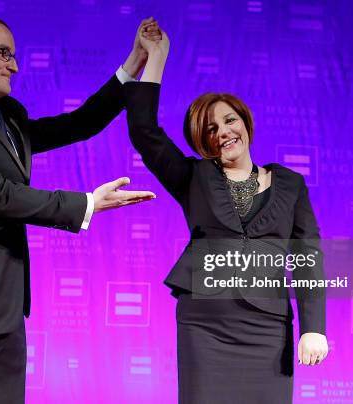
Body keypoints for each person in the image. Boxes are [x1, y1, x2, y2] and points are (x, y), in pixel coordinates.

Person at [0, 14, 160, 403]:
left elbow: (78, 124)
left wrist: (133, 65)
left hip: (5, 311)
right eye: (4, 53)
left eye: (15, 55)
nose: (15, 65)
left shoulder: (10, 117)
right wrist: (86, 204)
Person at [123, 26, 329, 403]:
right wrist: (156, 57)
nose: (223, 132)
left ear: (245, 123)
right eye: (210, 128)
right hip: (205, 326)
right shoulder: (192, 177)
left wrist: (314, 328)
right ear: (202, 140)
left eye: (229, 120)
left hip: (268, 327)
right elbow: (144, 131)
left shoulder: (290, 183)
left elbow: (307, 257)